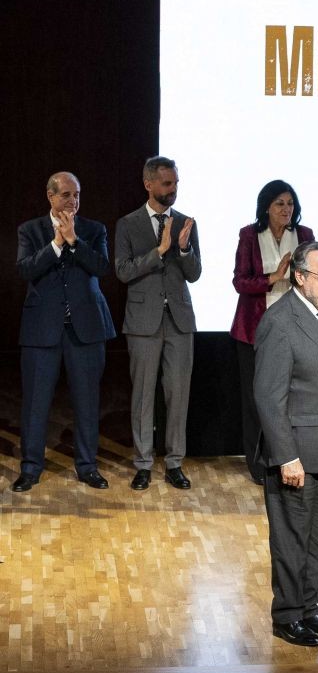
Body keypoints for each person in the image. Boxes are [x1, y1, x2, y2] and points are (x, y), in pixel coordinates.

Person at [254, 241, 318, 647]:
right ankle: (288, 615)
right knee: (291, 541)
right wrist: (286, 456)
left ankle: (310, 608)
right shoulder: (280, 322)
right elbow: (268, 396)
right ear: (299, 277)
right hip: (297, 456)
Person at [14, 172, 116, 492]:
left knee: (87, 401)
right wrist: (57, 243)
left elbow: (101, 268)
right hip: (42, 330)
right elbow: (25, 269)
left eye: (77, 195)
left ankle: (87, 466)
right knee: (36, 402)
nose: (73, 201)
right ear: (50, 196)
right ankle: (30, 467)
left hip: (85, 329)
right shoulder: (30, 230)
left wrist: (74, 240)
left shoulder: (93, 230)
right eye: (67, 195)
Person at [114, 156, 201, 491]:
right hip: (143, 322)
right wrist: (159, 251)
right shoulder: (128, 223)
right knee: (143, 395)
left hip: (179, 321)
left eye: (175, 183)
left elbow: (194, 274)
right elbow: (122, 271)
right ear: (148, 183)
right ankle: (143, 463)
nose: (173, 189)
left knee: (178, 395)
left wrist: (180, 249)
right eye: (167, 183)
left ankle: (175, 462)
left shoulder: (186, 222)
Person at [230, 180, 314, 484]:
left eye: (290, 203)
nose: (286, 209)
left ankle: (288, 460)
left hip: (296, 328)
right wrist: (274, 277)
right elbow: (240, 282)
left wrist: (298, 279)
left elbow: (315, 279)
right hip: (254, 330)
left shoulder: (304, 236)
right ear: (266, 206)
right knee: (257, 400)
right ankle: (258, 465)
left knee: (291, 399)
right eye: (280, 203)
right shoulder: (250, 235)